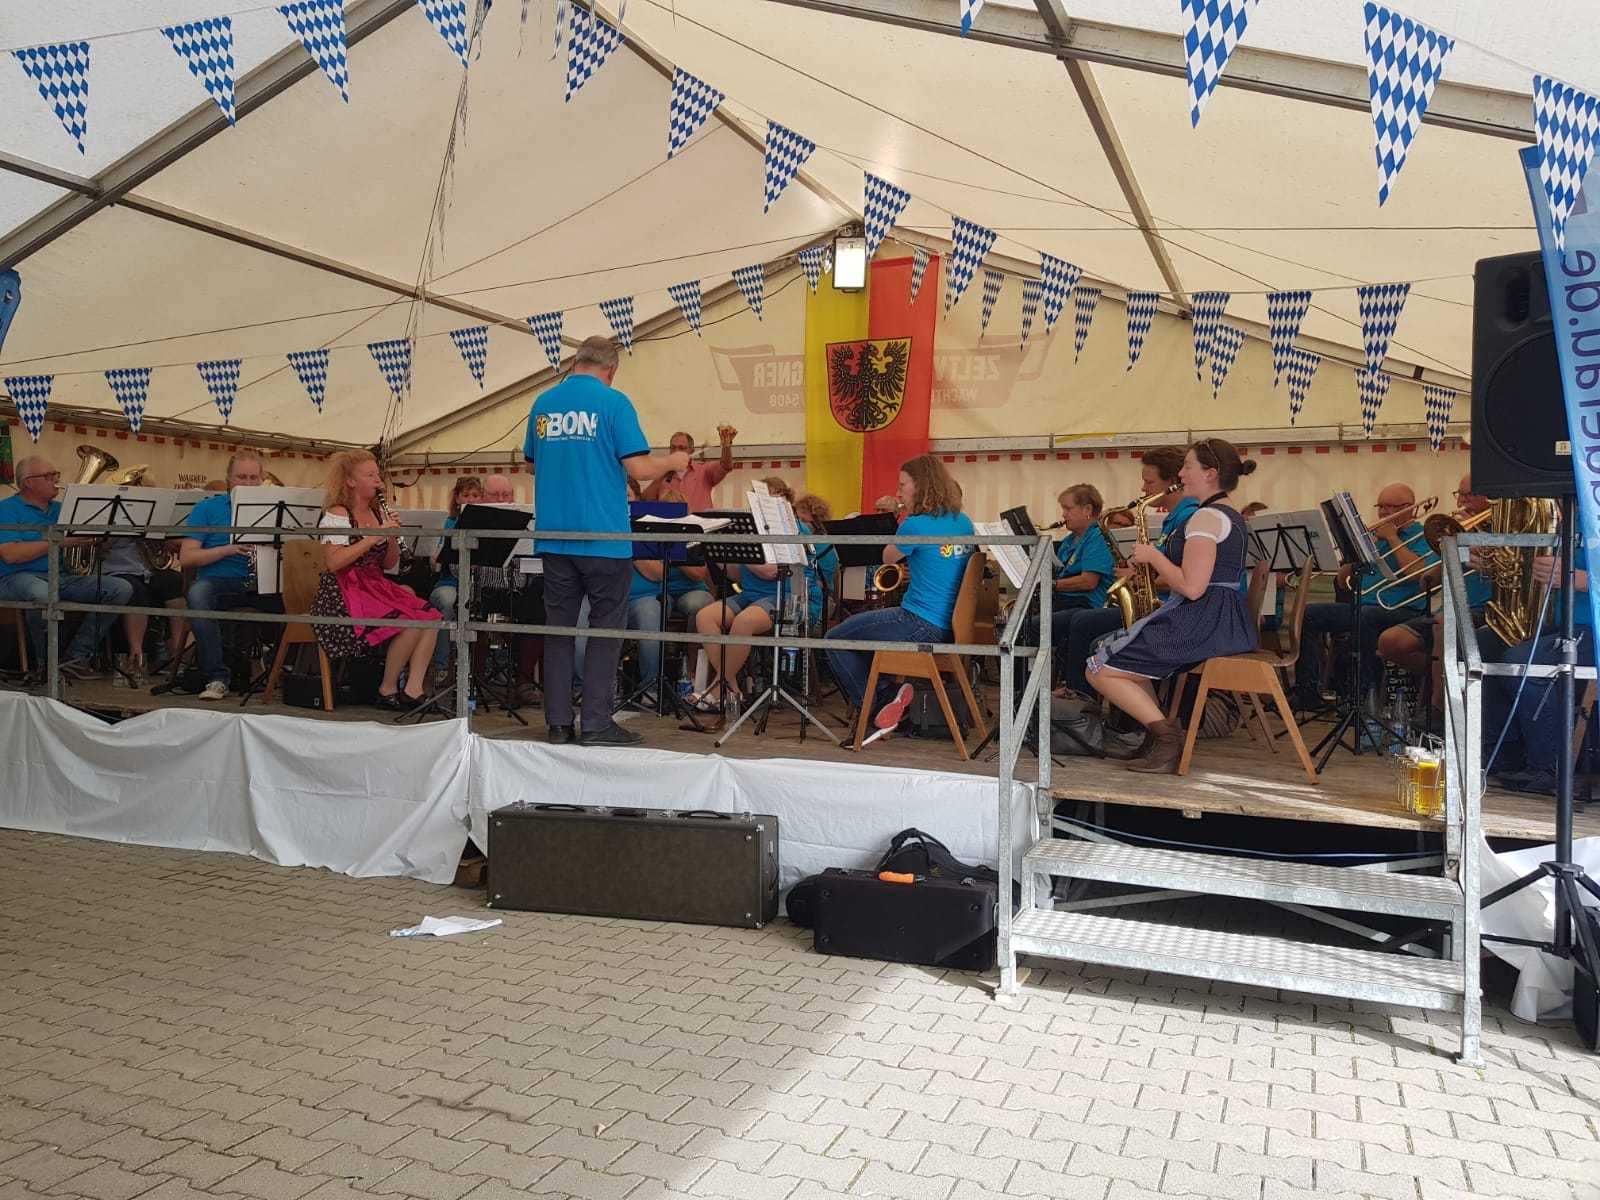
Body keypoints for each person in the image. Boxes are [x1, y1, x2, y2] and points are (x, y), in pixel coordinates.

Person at [524, 335, 689, 746]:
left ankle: (558, 723)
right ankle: (596, 722)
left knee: (559, 631)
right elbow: (639, 468)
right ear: (611, 370)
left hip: (554, 535)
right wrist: (674, 460)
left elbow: (531, 464)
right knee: (605, 629)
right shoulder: (615, 403)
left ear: (575, 362)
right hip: (603, 536)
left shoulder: (543, 403)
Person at [1087, 439, 1260, 774]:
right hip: (1218, 618)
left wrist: (1153, 557)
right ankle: (1157, 738)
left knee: (1099, 669)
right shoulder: (1226, 514)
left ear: (1210, 474)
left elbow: (1192, 588)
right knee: (1126, 663)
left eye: (1188, 467)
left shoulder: (1206, 518)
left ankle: (1167, 739)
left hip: (1204, 619)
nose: (1181, 474)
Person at [825, 455, 975, 732]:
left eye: (903, 485)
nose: (898, 492)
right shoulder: (963, 522)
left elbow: (888, 557)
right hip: (951, 626)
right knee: (863, 637)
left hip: (919, 622)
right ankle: (886, 698)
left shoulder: (915, 525)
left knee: (835, 639)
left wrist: (904, 519)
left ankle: (876, 706)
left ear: (921, 486)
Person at [1057, 446, 1187, 698]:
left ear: (1172, 483)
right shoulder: (1174, 519)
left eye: (1149, 482)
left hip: (1170, 611)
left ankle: (1082, 700)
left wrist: (1141, 576)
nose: (1143, 489)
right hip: (1161, 607)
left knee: (1086, 627)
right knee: (1081, 623)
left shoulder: (1187, 518)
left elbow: (1185, 577)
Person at [1294, 483, 1437, 711]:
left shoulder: (1423, 535)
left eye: (1390, 507)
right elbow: (1343, 581)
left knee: (1367, 616)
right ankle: (1307, 691)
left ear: (1409, 508)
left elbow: (1417, 573)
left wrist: (1393, 538)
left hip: (1404, 610)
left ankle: (1361, 699)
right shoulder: (1374, 537)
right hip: (1365, 606)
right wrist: (1353, 552)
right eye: (1380, 506)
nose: (1383, 513)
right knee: (1310, 614)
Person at [319, 450, 440, 708]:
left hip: (374, 584)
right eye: (370, 475)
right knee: (410, 622)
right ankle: (387, 689)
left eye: (378, 475)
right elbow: (334, 562)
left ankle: (413, 689)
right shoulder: (339, 513)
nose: (378, 481)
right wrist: (374, 536)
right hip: (344, 590)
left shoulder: (376, 514)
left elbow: (388, 563)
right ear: (350, 481)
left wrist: (392, 535)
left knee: (431, 617)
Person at [0, 454, 133, 680]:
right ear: (28, 482)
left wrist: (97, 540)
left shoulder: (63, 509)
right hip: (16, 577)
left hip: (60, 576)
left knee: (120, 588)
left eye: (56, 474)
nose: (56, 479)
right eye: (49, 475)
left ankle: (76, 657)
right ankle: (45, 665)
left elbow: (78, 544)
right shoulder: (6, 509)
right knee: (42, 593)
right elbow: (11, 555)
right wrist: (59, 541)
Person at [1376, 474, 1496, 703]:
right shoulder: (1460, 532)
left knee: (1443, 625)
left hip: (1487, 610)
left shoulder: (1505, 530)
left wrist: (1480, 544)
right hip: (1450, 609)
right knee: (1391, 641)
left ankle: (1438, 706)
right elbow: (1426, 582)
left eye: (1469, 494)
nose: (1461, 501)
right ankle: (1441, 678)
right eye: (1460, 494)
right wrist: (1450, 551)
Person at [1484, 545, 1593, 795]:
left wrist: (1583, 579)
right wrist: (1495, 561)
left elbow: (1574, 577)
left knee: (1525, 664)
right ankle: (1504, 751)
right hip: (1558, 623)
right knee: (1487, 645)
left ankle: (1549, 766)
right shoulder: (1573, 525)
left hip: (1592, 628)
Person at [690, 477, 799, 711]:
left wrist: (744, 550)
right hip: (750, 595)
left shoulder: (792, 528)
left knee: (744, 622)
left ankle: (716, 689)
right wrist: (721, 552)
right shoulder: (753, 530)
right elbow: (737, 575)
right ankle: (732, 689)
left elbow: (771, 572)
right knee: (705, 617)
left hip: (783, 596)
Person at [179, 453, 278, 700]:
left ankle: (280, 670)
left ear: (261, 480)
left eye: (253, 478)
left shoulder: (275, 509)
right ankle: (217, 677)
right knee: (198, 593)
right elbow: (187, 557)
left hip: (262, 581)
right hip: (220, 582)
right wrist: (227, 549)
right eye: (241, 477)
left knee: (305, 598)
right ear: (228, 479)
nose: (247, 483)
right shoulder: (207, 508)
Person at [1018, 484, 1115, 682]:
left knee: (1031, 628)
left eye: (1068, 509)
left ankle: (1033, 687)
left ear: (1087, 509)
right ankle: (1027, 686)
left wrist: (1050, 585)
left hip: (1086, 605)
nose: (1063, 514)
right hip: (1066, 602)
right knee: (1019, 622)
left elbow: (1088, 582)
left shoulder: (1098, 537)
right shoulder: (1070, 540)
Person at [101, 513, 187, 689]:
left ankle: (178, 655)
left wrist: (158, 536)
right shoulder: (107, 513)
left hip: (147, 569)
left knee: (175, 582)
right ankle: (136, 656)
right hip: (116, 570)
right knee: (135, 590)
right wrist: (120, 531)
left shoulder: (150, 511)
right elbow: (99, 546)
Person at [427, 476, 482, 680]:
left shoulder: (488, 523)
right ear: (457, 498)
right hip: (449, 582)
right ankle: (441, 665)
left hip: (476, 583)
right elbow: (437, 561)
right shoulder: (450, 522)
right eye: (466, 495)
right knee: (448, 604)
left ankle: (479, 668)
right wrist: (436, 557)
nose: (470, 499)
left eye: (475, 495)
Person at [645, 425, 736, 510]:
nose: (676, 451)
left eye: (681, 448)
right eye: (673, 447)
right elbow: (645, 500)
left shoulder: (703, 471)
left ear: (691, 450)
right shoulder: (663, 474)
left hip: (699, 522)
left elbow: (726, 465)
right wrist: (664, 470)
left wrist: (726, 445)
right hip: (673, 522)